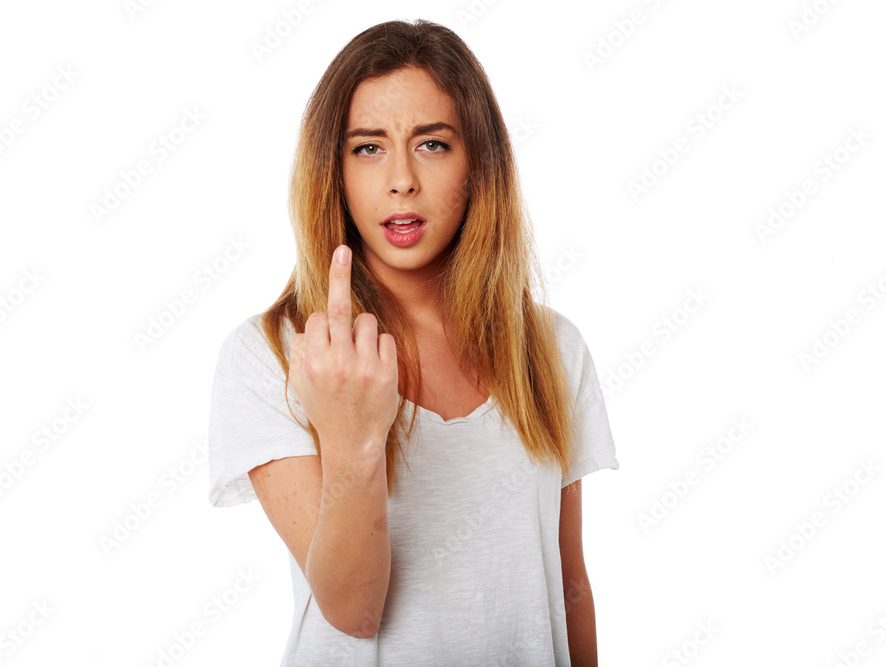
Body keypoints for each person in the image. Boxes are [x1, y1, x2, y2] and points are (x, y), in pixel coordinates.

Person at [207, 18, 619, 666]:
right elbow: (354, 608)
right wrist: (353, 435)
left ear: (477, 164)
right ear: (334, 171)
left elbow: (569, 588)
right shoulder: (273, 355)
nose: (401, 179)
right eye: (368, 148)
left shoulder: (552, 348)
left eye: (431, 144)